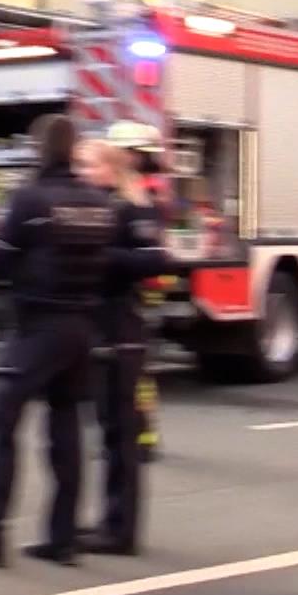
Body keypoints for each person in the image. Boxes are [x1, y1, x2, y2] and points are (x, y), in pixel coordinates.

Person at [0, 113, 115, 569]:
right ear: (74, 150)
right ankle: (62, 538)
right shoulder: (98, 202)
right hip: (82, 327)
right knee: (65, 429)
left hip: (37, 326)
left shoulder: (29, 199)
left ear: (38, 150)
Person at [77, 135, 171, 555]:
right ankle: (108, 521)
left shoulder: (134, 208)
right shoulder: (93, 207)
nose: (82, 173)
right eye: (79, 165)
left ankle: (120, 531)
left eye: (89, 165)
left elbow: (155, 259)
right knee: (107, 431)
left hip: (122, 327)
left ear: (112, 170)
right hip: (96, 326)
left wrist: (102, 256)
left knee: (121, 432)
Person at [107, 121, 169, 463]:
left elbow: (153, 254)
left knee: (135, 369)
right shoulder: (122, 191)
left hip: (134, 297)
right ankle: (128, 434)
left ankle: (142, 436)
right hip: (119, 297)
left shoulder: (141, 195)